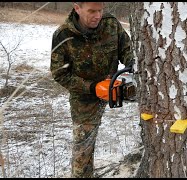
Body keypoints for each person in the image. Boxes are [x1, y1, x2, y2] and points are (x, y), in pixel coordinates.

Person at [50, 2, 134, 178]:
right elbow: (60, 74)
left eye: (100, 10)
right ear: (77, 8)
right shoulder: (63, 35)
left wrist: (132, 66)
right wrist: (92, 87)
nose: (97, 15)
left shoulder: (111, 24)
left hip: (114, 85)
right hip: (84, 97)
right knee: (83, 148)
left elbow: (127, 50)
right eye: (92, 11)